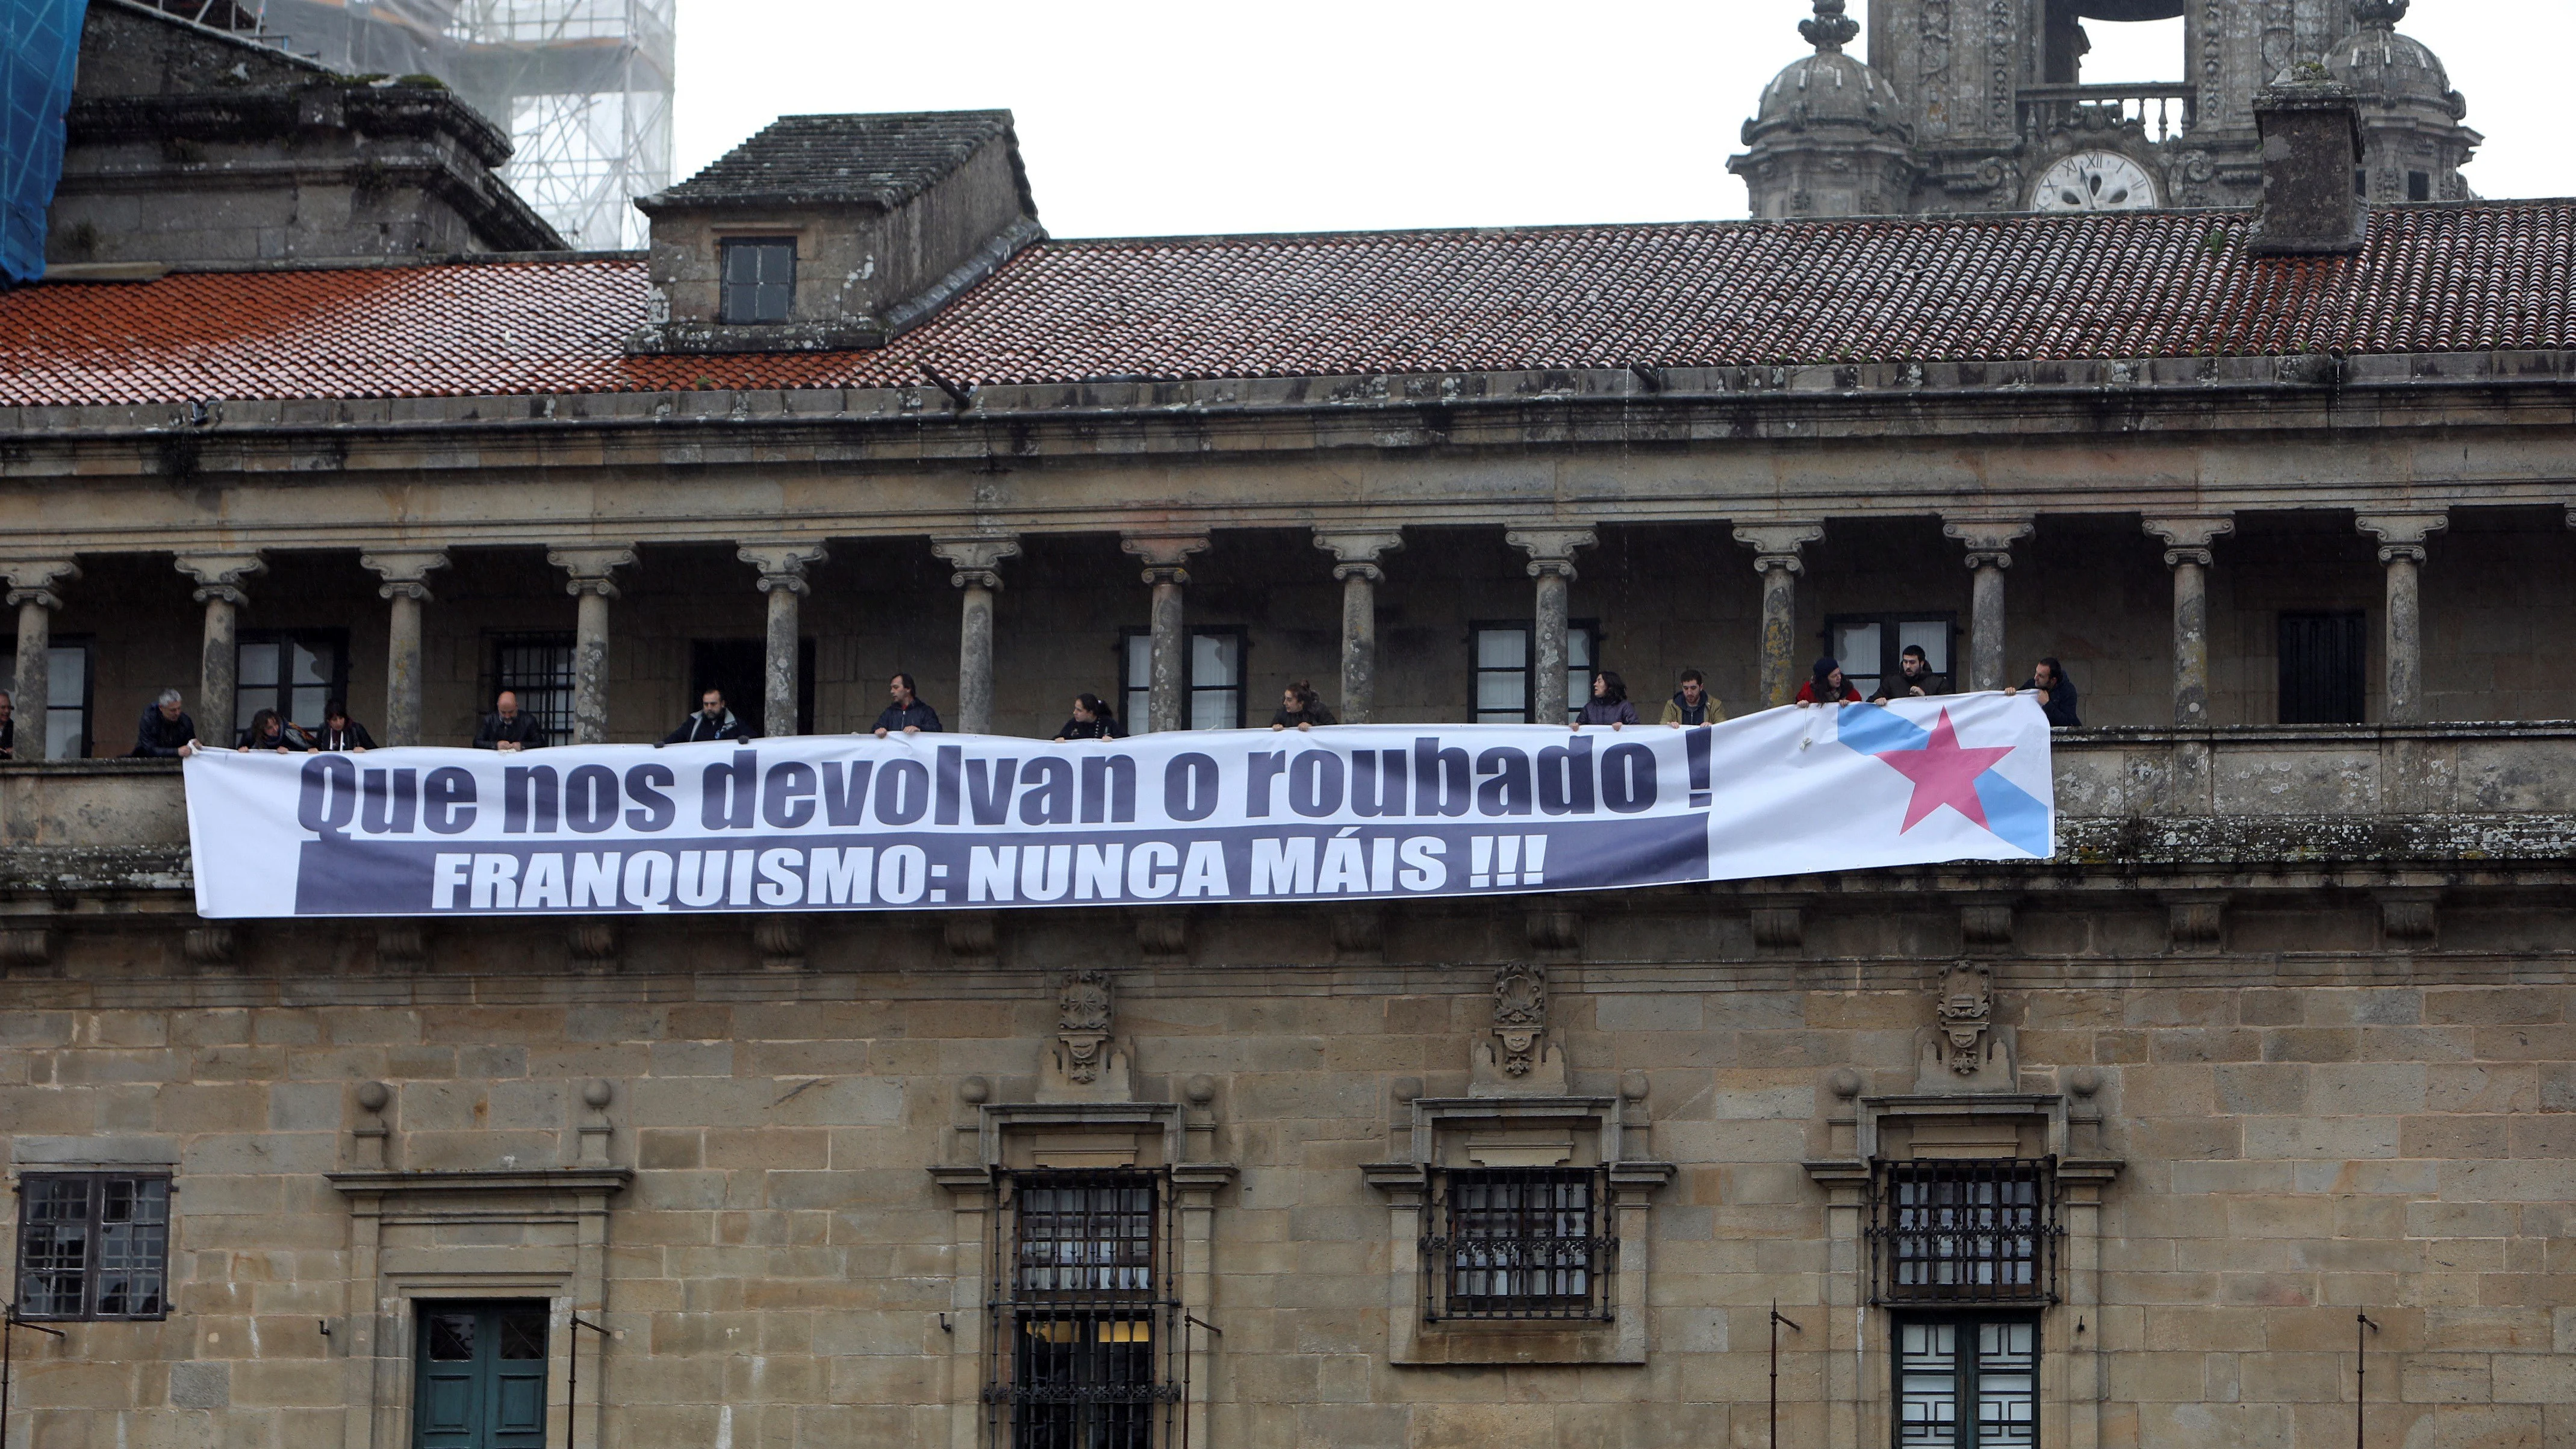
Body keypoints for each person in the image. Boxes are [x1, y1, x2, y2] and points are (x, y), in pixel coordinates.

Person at [2006, 657, 2081, 728]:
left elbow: (2068, 722)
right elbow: (2016, 703)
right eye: (2036, 673)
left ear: (2053, 680)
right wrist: (2009, 694)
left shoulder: (2067, 690)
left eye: (2041, 676)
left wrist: (2047, 704)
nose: (2036, 678)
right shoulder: (2032, 684)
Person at [662, 687, 751, 744]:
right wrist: (663, 744)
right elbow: (676, 737)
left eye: (713, 704)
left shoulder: (734, 723)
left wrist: (745, 740)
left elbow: (754, 740)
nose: (709, 708)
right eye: (706, 704)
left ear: (722, 704)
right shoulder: (694, 721)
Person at [1869, 645, 1952, 703]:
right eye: (1905, 662)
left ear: (1922, 663)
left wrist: (1925, 697)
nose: (1908, 666)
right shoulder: (1892, 681)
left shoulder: (1938, 683)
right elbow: (1870, 703)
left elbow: (1948, 708)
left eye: (1912, 662)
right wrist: (1877, 702)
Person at [131, 689, 198, 758]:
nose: (177, 713)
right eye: (173, 710)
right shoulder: (149, 720)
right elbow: (148, 749)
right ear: (161, 708)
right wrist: (176, 752)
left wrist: (194, 746)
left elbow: (190, 742)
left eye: (179, 708)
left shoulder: (185, 721)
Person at [871, 674, 941, 737]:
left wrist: (919, 729)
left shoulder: (925, 711)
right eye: (891, 688)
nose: (892, 691)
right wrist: (878, 730)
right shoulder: (889, 712)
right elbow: (875, 729)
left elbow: (936, 729)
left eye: (896, 687)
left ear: (908, 689)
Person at [473, 691, 543, 751]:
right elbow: (477, 743)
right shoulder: (489, 720)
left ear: (517, 706)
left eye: (511, 712)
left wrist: (522, 746)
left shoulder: (529, 720)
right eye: (503, 712)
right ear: (498, 707)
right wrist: (496, 745)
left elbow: (540, 744)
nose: (507, 716)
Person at [1573, 670, 1639, 729]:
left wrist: (1623, 727)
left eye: (1599, 681)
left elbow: (1635, 729)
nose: (1595, 684)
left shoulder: (1624, 706)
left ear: (1610, 685)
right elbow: (1579, 729)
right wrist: (1574, 727)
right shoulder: (1589, 708)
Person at [1660, 669, 1725, 727]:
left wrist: (1713, 727)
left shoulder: (1715, 705)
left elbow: (1723, 729)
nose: (1689, 693)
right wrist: (1668, 726)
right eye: (1686, 688)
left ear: (1701, 687)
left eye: (1693, 688)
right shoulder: (1671, 705)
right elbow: (1662, 727)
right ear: (1681, 687)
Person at [305, 701, 375, 752]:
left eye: (341, 718)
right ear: (328, 721)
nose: (338, 723)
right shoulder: (323, 730)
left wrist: (364, 751)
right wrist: (313, 750)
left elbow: (375, 751)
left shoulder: (356, 729)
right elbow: (317, 747)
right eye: (334, 720)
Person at [1054, 693, 1125, 741]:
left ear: (1090, 713)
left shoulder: (1108, 722)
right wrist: (1059, 740)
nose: (1075, 713)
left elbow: (1125, 740)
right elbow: (1059, 737)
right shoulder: (1073, 723)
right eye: (1075, 709)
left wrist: (1113, 740)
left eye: (1079, 710)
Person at [1269, 682, 1336, 731]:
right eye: (1285, 699)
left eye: (1289, 700)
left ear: (1301, 703)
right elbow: (1268, 733)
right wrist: (1275, 728)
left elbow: (1335, 730)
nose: (1285, 703)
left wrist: (1313, 727)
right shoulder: (1282, 713)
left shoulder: (1319, 710)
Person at [1795, 658, 1863, 706]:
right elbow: (1795, 710)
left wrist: (1850, 705)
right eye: (1834, 676)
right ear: (1824, 680)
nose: (1839, 678)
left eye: (1839, 673)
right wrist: (1801, 704)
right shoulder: (1809, 690)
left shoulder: (1847, 688)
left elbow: (1860, 708)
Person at [238, 708, 302, 753]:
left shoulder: (290, 730)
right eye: (270, 728)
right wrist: (243, 750)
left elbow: (307, 747)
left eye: (276, 724)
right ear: (261, 730)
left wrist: (289, 750)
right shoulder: (250, 735)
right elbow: (238, 753)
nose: (275, 729)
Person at [0, 690, 13, 760]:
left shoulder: (15, 729)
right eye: (3, 707)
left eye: (9, 707)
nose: (7, 711)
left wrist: (15, 751)